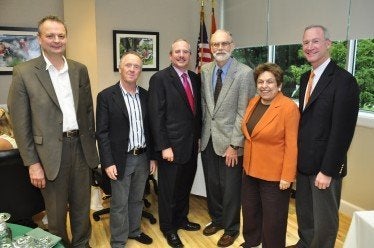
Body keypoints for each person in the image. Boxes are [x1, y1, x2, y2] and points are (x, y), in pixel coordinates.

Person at [7, 15, 99, 247]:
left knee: (81, 208)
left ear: (67, 38)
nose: (56, 40)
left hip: (80, 149)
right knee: (56, 216)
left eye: (61, 35)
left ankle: (82, 244)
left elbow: (87, 113)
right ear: (40, 39)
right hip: (48, 155)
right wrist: (32, 163)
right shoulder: (24, 72)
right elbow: (20, 124)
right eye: (50, 35)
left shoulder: (80, 70)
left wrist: (92, 149)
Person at [288, 25, 360, 248]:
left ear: (328, 43)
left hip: (324, 167)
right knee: (306, 214)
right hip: (305, 162)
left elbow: (342, 132)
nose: (310, 47)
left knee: (325, 221)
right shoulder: (304, 78)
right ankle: (305, 242)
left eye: (316, 41)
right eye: (306, 42)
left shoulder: (344, 81)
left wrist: (328, 170)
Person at [200, 29, 256, 247]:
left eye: (224, 44)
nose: (219, 48)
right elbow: (205, 107)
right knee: (213, 185)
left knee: (231, 189)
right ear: (211, 48)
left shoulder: (244, 73)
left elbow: (244, 112)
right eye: (215, 44)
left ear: (232, 46)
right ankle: (217, 219)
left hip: (231, 143)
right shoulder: (205, 70)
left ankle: (231, 228)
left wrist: (235, 144)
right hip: (207, 140)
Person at [96, 52, 156, 247]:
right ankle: (118, 241)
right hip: (121, 159)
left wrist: (153, 158)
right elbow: (102, 132)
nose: (132, 69)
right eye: (128, 65)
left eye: (136, 66)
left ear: (141, 70)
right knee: (119, 203)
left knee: (137, 199)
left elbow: (151, 130)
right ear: (120, 68)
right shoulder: (106, 96)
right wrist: (107, 162)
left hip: (143, 157)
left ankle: (134, 231)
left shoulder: (146, 96)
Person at [148, 39, 201, 248]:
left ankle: (181, 219)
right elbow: (155, 116)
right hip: (171, 147)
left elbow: (196, 113)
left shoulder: (194, 78)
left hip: (190, 145)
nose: (181, 55)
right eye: (177, 52)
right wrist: (164, 146)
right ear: (170, 55)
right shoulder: (159, 79)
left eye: (185, 52)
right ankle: (168, 228)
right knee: (169, 191)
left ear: (189, 55)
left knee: (184, 187)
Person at [240, 63, 299, 248]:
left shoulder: (288, 108)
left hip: (275, 175)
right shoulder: (253, 102)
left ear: (279, 85)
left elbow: (292, 145)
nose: (264, 86)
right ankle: (251, 242)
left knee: (273, 220)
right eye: (260, 82)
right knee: (250, 212)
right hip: (250, 170)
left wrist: (287, 176)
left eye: (270, 82)